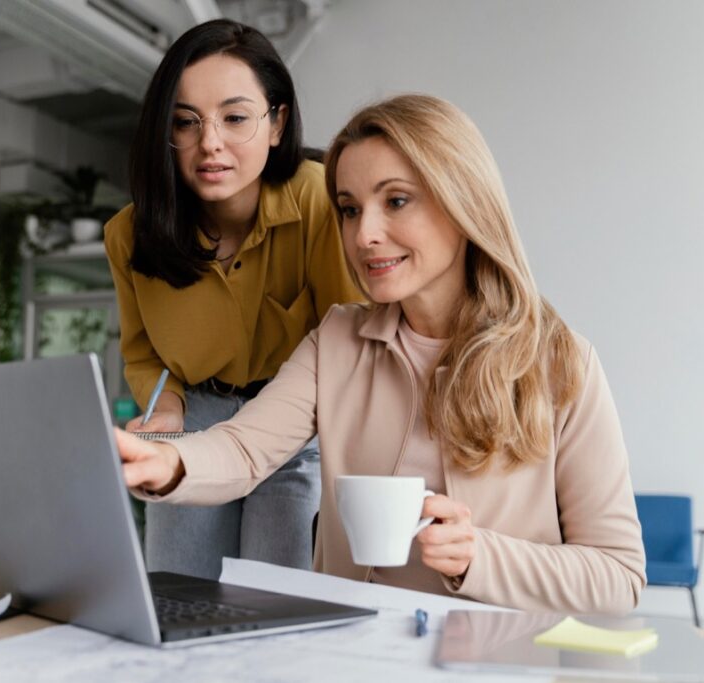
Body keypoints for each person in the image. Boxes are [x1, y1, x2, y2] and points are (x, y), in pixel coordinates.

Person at [115, 94, 647, 614]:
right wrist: (167, 461)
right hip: (355, 660)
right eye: (349, 209)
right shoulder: (337, 341)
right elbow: (244, 449)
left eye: (396, 201)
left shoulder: (560, 363)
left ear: (464, 203)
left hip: (494, 664)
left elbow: (619, 577)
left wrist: (478, 557)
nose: (363, 234)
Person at [103, 20, 362, 581]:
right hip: (193, 423)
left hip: (294, 427)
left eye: (236, 118)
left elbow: (349, 337)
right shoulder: (128, 236)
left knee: (276, 596)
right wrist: (166, 408)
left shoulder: (319, 199)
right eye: (185, 122)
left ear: (277, 124)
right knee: (178, 591)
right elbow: (143, 352)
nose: (210, 143)